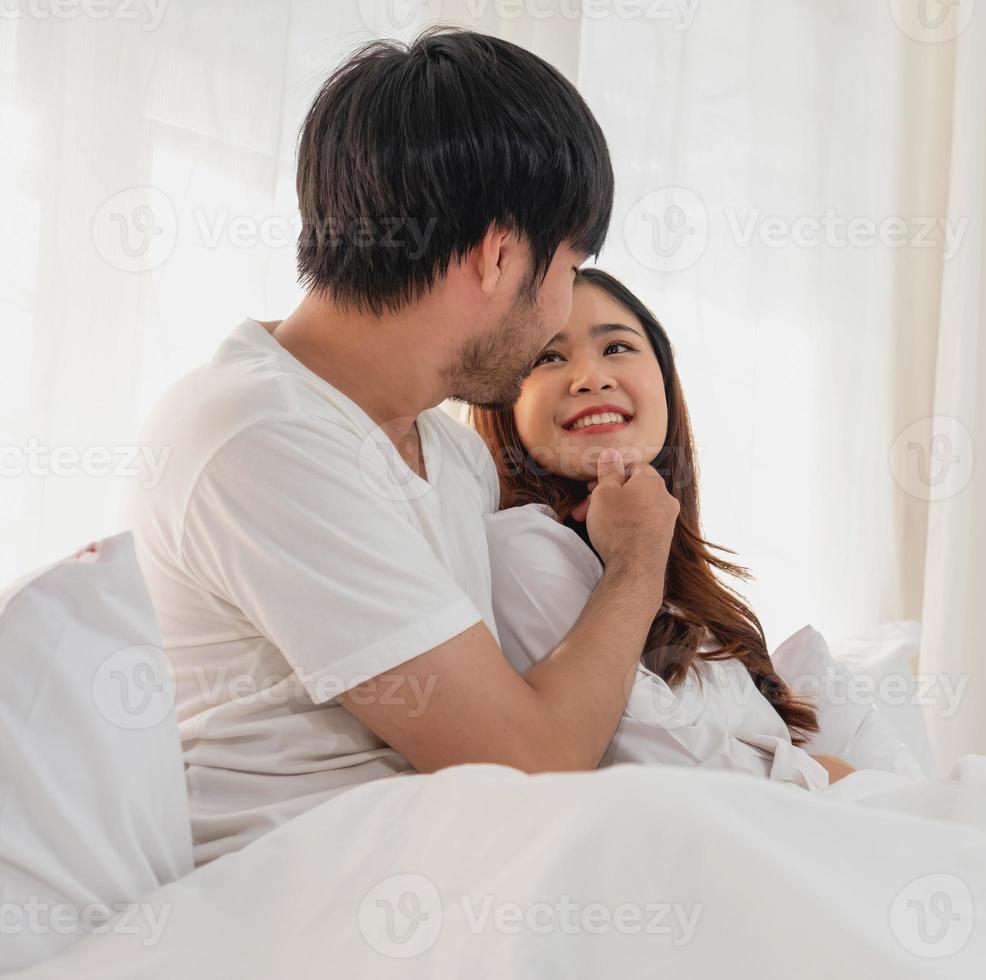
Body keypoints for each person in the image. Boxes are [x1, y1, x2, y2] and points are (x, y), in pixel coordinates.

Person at [126, 28, 679, 866]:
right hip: (307, 887)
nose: (562, 310)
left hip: (443, 864)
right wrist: (638, 563)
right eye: (569, 268)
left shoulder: (448, 455)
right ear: (499, 255)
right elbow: (530, 758)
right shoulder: (260, 436)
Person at [474, 269, 916, 788]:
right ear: (506, 399)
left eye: (617, 346)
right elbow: (639, 750)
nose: (591, 377)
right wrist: (819, 775)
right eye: (549, 357)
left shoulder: (691, 605)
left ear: (663, 381)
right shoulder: (519, 545)